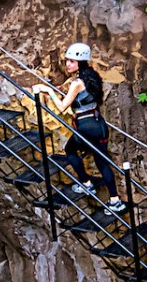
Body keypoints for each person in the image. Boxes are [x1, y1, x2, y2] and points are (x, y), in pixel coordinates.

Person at [36, 43, 123, 212]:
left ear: (80, 62)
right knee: (102, 162)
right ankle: (115, 200)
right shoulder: (92, 76)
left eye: (72, 61)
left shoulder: (77, 82)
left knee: (70, 150)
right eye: (67, 61)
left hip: (86, 126)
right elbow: (83, 99)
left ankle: (86, 183)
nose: (68, 64)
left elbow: (62, 107)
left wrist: (47, 90)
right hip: (99, 124)